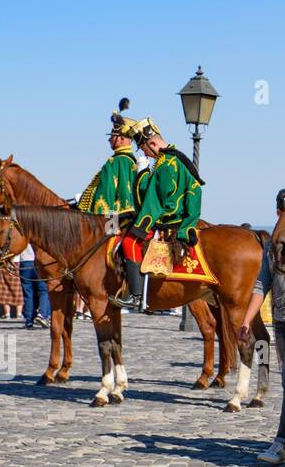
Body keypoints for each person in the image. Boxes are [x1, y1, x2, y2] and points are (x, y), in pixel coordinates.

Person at [241, 188, 285, 467]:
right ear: (279, 213)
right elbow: (262, 285)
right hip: (281, 322)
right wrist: (247, 320)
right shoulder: (271, 247)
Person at [114, 117, 204, 310]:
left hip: (165, 219)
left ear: (152, 143)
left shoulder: (163, 164)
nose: (145, 153)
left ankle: (136, 295)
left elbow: (152, 199)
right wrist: (190, 221)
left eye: (145, 148)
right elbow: (195, 189)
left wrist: (142, 173)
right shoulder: (177, 158)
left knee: (129, 240)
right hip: (179, 218)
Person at [78, 99, 141, 223]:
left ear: (122, 139)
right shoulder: (130, 161)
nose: (109, 140)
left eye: (112, 137)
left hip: (110, 224)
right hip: (128, 221)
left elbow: (107, 195)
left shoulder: (114, 162)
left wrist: (108, 229)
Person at [17, 240, 51, 329]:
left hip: (24, 262)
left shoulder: (22, 233)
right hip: (38, 261)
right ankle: (43, 315)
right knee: (44, 290)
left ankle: (29, 321)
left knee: (28, 293)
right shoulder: (37, 232)